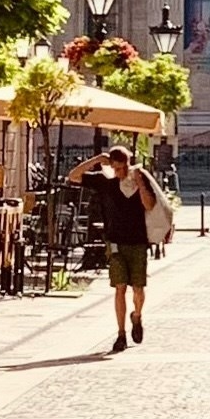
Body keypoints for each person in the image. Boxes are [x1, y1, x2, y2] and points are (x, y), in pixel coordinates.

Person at [67, 142, 158, 350]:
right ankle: (121, 334)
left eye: (122, 168)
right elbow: (73, 176)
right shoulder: (105, 180)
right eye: (116, 168)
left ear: (128, 164)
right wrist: (98, 160)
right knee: (119, 288)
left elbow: (150, 205)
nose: (119, 172)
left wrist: (140, 183)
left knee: (138, 290)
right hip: (115, 241)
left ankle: (136, 315)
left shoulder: (138, 180)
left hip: (138, 242)